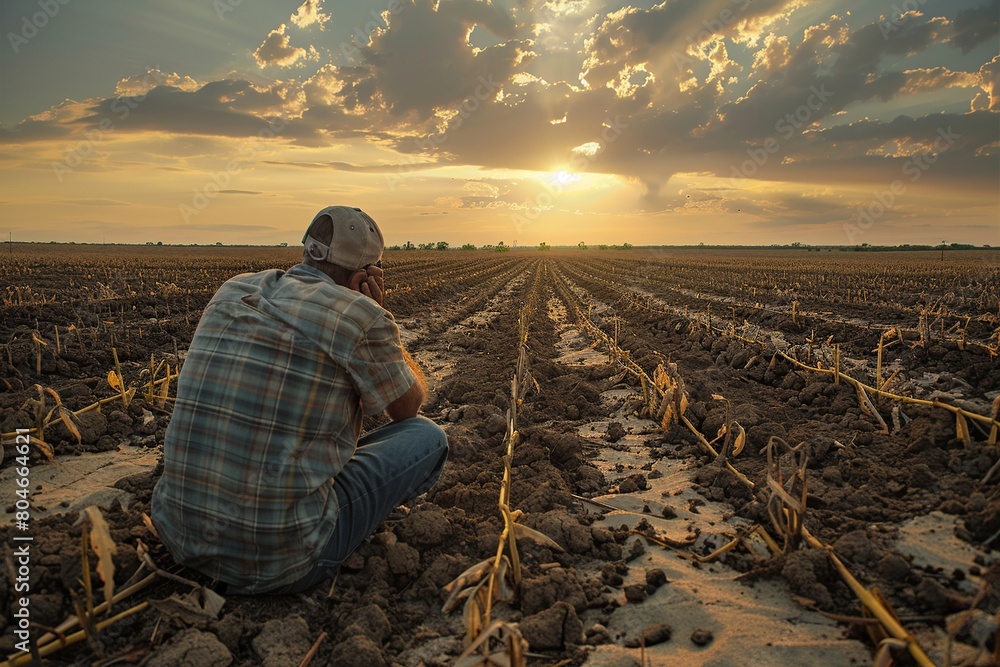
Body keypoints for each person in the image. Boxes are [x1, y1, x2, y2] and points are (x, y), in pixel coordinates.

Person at [151, 206, 448, 594]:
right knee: (427, 438)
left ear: (309, 250)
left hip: (179, 537)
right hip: (283, 562)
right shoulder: (361, 315)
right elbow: (406, 408)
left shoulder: (233, 288)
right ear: (363, 277)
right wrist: (376, 309)